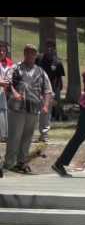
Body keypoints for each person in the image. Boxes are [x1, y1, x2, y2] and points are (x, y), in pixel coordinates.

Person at [3, 44, 53, 174]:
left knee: (27, 137)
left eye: (33, 53)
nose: (31, 55)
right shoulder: (15, 68)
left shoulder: (41, 71)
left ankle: (22, 162)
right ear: (24, 53)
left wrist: (46, 105)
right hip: (16, 108)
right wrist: (14, 93)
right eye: (29, 53)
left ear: (36, 55)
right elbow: (7, 83)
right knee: (15, 136)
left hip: (33, 109)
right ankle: (9, 163)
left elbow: (47, 90)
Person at [36, 39, 66, 141]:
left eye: (51, 47)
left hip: (49, 91)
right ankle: (30, 132)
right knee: (36, 112)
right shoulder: (39, 59)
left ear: (54, 49)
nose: (49, 49)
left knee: (46, 112)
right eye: (47, 46)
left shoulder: (57, 62)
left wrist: (57, 94)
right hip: (37, 88)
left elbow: (59, 80)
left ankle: (44, 134)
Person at [0, 41, 13, 143]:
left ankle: (6, 134)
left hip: (8, 91)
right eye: (0, 50)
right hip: (1, 90)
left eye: (3, 50)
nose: (1, 52)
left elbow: (13, 75)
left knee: (7, 112)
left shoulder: (10, 62)